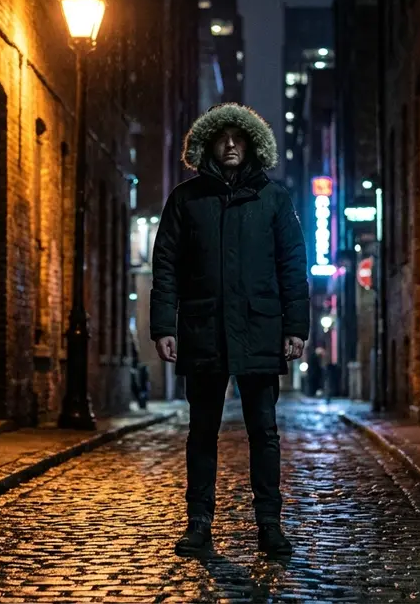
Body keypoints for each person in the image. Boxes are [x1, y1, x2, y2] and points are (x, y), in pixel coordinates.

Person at [150, 102, 310, 557]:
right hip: (202, 329)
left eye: (240, 138)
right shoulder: (186, 199)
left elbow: (292, 264)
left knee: (264, 431)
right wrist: (165, 325)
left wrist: (295, 325)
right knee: (202, 430)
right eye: (223, 138)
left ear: (254, 145)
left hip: (260, 328)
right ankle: (198, 522)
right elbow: (166, 266)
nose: (232, 145)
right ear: (210, 145)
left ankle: (269, 524)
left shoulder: (274, 198)